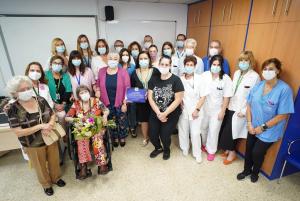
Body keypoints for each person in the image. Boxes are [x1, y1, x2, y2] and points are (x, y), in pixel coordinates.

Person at [6, 76, 65, 196]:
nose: (26, 91)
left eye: (28, 88)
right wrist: (40, 127)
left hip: (50, 137)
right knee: (39, 164)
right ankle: (46, 184)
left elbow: (52, 114)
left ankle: (56, 178)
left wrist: (50, 124)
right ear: (15, 93)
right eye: (22, 90)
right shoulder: (13, 109)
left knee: (54, 160)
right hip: (32, 143)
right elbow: (18, 132)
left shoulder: (40, 100)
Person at [237, 58, 294, 183]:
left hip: (269, 130)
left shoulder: (284, 89)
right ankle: (246, 170)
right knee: (249, 149)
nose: (267, 71)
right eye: (265, 69)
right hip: (252, 126)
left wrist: (262, 128)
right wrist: (249, 123)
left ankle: (255, 172)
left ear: (278, 71)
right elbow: (249, 105)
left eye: (271, 69)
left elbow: (283, 115)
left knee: (257, 152)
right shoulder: (258, 86)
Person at [219, 51, 260, 165]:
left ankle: (232, 153)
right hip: (231, 105)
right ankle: (227, 150)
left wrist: (244, 111)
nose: (243, 63)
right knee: (227, 130)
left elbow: (254, 97)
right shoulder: (237, 73)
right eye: (241, 60)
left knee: (233, 132)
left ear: (250, 62)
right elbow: (233, 89)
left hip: (241, 109)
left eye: (246, 60)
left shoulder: (255, 76)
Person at [65, 85, 110, 179]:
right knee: (81, 141)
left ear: (89, 92)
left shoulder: (96, 101)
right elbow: (67, 117)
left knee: (97, 139)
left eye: (85, 92)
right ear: (78, 95)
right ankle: (83, 167)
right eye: (81, 93)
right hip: (82, 128)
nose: (84, 94)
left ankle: (102, 164)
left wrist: (105, 115)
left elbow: (105, 110)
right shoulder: (76, 104)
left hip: (96, 126)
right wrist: (76, 121)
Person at [148, 55, 184, 160]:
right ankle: (158, 148)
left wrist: (165, 113)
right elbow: (150, 97)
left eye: (166, 64)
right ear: (159, 65)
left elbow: (178, 99)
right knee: (153, 134)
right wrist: (159, 113)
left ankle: (166, 149)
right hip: (156, 112)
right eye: (162, 64)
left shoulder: (176, 80)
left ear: (170, 65)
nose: (164, 66)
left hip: (171, 113)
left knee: (165, 135)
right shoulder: (153, 79)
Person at [201, 55, 233, 161]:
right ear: (210, 65)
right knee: (203, 128)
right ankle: (204, 145)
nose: (215, 66)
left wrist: (223, 111)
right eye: (214, 64)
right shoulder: (205, 75)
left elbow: (226, 97)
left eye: (218, 65)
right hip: (204, 108)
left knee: (214, 130)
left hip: (217, 110)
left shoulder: (226, 79)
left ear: (221, 66)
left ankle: (211, 151)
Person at [178, 56, 208, 163]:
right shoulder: (180, 79)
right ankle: (185, 148)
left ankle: (197, 153)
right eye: (187, 65)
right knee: (183, 130)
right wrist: (180, 103)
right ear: (184, 66)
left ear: (195, 66)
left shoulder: (200, 79)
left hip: (196, 109)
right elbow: (178, 94)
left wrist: (197, 110)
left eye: (191, 65)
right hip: (183, 109)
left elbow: (203, 96)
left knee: (195, 133)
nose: (189, 67)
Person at [96, 52, 130, 147]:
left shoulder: (123, 72)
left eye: (115, 58)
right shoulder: (101, 71)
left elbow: (128, 89)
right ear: (107, 60)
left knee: (122, 120)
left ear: (118, 60)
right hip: (106, 101)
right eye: (110, 58)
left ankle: (122, 137)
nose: (112, 60)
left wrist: (124, 104)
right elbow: (98, 83)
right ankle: (115, 137)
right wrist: (97, 89)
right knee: (111, 121)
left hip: (120, 101)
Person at [131, 51, 158, 145]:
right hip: (141, 101)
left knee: (154, 119)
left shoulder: (155, 71)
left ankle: (155, 137)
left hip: (154, 100)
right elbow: (132, 87)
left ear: (149, 60)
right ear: (138, 60)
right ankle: (146, 137)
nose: (143, 60)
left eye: (145, 58)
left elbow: (160, 85)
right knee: (143, 120)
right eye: (141, 59)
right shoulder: (135, 72)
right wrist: (137, 94)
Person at [45, 55, 72, 128]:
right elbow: (44, 92)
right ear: (51, 65)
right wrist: (54, 104)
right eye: (55, 63)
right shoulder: (45, 75)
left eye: (59, 63)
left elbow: (68, 90)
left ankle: (63, 136)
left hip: (63, 104)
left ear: (62, 66)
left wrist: (63, 104)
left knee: (62, 115)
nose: (57, 65)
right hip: (49, 105)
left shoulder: (65, 76)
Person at [119, 48, 137, 137]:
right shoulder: (117, 66)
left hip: (131, 91)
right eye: (123, 55)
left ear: (129, 56)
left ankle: (133, 127)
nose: (125, 57)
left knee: (132, 109)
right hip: (120, 91)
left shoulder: (133, 66)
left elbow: (135, 78)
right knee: (123, 110)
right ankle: (124, 127)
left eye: (127, 55)